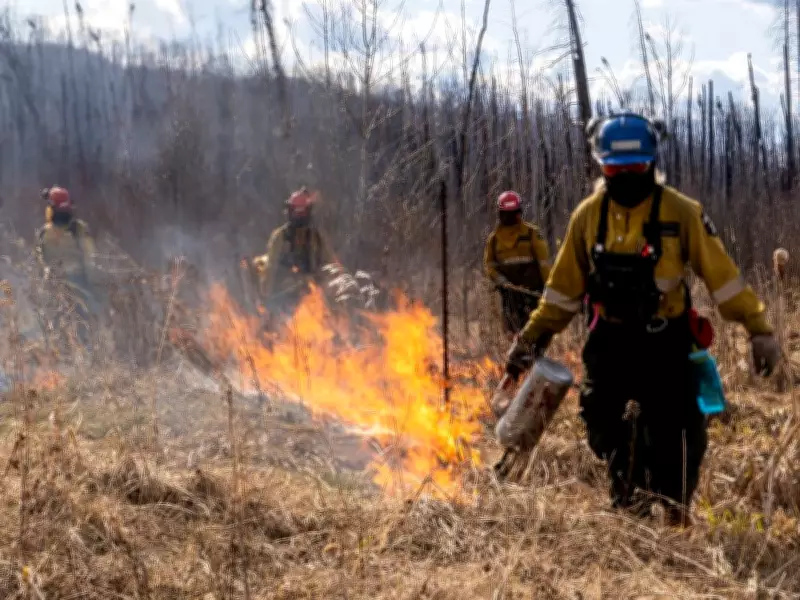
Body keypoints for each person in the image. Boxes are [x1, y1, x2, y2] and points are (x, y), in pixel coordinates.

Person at [504, 112, 780, 524]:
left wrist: (760, 330)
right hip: (609, 342)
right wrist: (529, 341)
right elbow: (561, 294)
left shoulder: (681, 213)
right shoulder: (588, 217)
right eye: (616, 167)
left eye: (635, 166)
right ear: (602, 166)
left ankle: (674, 510)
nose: (626, 175)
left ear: (651, 162)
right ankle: (629, 502)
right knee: (602, 425)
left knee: (680, 433)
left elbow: (724, 279)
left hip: (665, 340)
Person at [35, 185, 100, 348]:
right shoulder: (78, 228)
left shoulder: (44, 232)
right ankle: (84, 352)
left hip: (55, 283)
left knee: (57, 322)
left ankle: (64, 354)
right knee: (81, 320)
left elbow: (40, 261)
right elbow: (90, 256)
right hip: (76, 282)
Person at [257, 187, 337, 316]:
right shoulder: (280, 237)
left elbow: (330, 265)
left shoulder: (316, 237)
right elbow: (270, 268)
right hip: (283, 297)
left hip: (311, 297)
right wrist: (266, 296)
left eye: (301, 213)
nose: (299, 216)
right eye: (297, 212)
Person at [483, 191, 552, 339]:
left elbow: (544, 263)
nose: (511, 217)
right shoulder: (494, 240)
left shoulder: (531, 234)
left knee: (534, 330)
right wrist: (500, 280)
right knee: (512, 332)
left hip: (533, 293)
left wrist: (548, 288)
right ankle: (517, 356)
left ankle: (534, 357)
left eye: (513, 213)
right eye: (507, 214)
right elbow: (490, 265)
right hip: (510, 294)